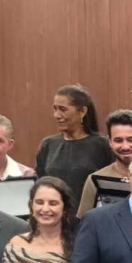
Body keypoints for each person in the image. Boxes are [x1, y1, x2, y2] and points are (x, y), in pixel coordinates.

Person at [35, 84, 114, 212]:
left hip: (88, 221)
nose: (56, 115)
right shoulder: (48, 145)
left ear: (82, 111)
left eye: (63, 109)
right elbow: (39, 186)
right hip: (53, 220)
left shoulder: (102, 145)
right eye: (55, 109)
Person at [78, 109, 132, 216]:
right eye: (118, 140)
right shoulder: (96, 180)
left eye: (131, 140)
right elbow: (85, 225)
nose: (125, 146)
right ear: (110, 141)